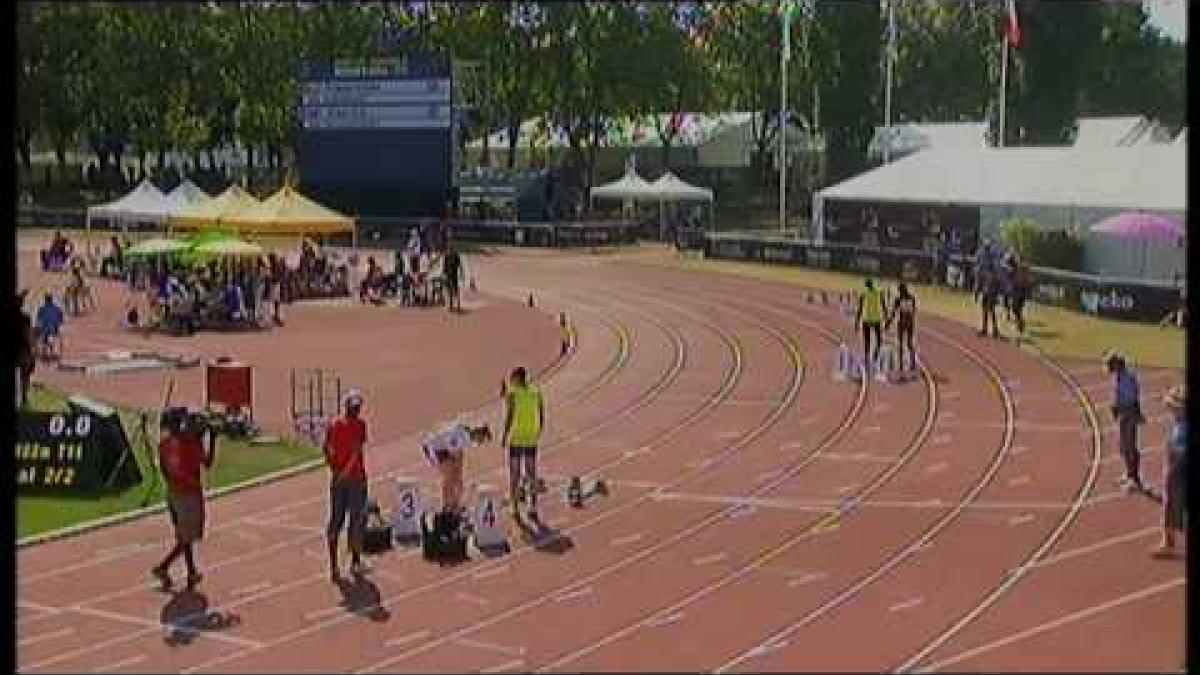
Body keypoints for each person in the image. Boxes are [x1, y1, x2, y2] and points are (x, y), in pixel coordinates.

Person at [152, 409, 217, 591]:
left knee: (184, 535)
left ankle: (191, 571)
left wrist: (208, 438)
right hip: (186, 495)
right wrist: (209, 439)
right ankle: (163, 566)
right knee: (188, 536)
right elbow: (201, 464)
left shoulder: (171, 443)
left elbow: (167, 470)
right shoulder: (181, 444)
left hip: (175, 494)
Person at [324, 390, 369, 582]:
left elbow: (326, 448)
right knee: (356, 519)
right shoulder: (359, 425)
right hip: (355, 478)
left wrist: (334, 468)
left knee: (336, 519)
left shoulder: (333, 425)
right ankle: (355, 562)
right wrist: (345, 471)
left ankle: (334, 566)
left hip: (338, 478)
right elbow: (356, 452)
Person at [420, 420, 493, 513]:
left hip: (444, 448)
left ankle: (453, 504)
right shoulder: (461, 438)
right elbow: (456, 460)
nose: (480, 443)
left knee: (455, 477)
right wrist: (458, 482)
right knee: (449, 476)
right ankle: (446, 506)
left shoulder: (466, 435)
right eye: (481, 440)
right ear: (478, 435)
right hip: (432, 448)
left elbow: (459, 464)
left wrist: (459, 482)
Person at [502, 367, 546, 520]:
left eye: (512, 378)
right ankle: (532, 506)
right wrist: (539, 430)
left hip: (516, 438)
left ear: (517, 378)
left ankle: (514, 506)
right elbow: (541, 413)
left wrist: (504, 435)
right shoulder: (536, 392)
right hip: (531, 437)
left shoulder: (513, 394)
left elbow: (509, 415)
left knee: (515, 474)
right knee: (531, 473)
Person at [1104, 349, 1146, 494]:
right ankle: (1129, 474)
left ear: (1117, 364)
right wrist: (1114, 407)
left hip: (1128, 413)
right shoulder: (1119, 376)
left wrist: (1127, 411)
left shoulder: (1127, 377)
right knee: (1124, 447)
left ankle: (1135, 479)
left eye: (1110, 365)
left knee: (1130, 446)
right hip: (1123, 413)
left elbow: (1131, 398)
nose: (1108, 368)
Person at [1152, 386, 1186, 558]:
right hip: (1177, 473)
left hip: (1178, 475)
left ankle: (1169, 544)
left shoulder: (1182, 430)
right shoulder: (1180, 425)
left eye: (1175, 408)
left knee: (1171, 507)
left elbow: (1179, 456)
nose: (1171, 410)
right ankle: (1168, 542)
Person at [854, 278, 885, 371]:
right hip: (875, 319)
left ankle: (869, 357)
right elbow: (884, 305)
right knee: (878, 340)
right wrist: (886, 315)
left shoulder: (864, 293)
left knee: (869, 340)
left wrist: (857, 321)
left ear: (866, 285)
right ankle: (873, 356)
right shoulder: (879, 291)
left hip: (868, 319)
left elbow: (860, 308)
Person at [886, 283, 918, 372]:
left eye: (899, 290)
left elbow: (893, 312)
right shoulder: (912, 298)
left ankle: (901, 364)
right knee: (909, 343)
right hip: (910, 322)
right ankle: (912, 363)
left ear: (900, 290)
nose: (899, 292)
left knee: (900, 343)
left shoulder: (899, 299)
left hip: (902, 323)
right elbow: (914, 310)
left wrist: (888, 323)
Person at [16, 291, 35, 407]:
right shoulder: (25, 318)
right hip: (22, 351)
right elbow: (28, 336)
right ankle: (24, 397)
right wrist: (32, 349)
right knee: (26, 373)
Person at [974, 262, 1002, 339]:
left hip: (991, 295)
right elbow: (980, 285)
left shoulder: (995, 277)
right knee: (985, 311)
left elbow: (998, 287)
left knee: (991, 312)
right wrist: (977, 294)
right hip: (986, 295)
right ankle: (985, 329)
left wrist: (996, 296)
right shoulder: (984, 276)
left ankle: (994, 330)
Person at [35, 293, 65, 359]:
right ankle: (47, 350)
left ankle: (44, 351)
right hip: (54, 329)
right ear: (51, 299)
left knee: (42, 335)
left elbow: (38, 320)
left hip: (46, 329)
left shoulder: (41, 309)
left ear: (45, 300)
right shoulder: (57, 308)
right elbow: (61, 320)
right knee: (47, 335)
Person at [443, 245, 463, 312]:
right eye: (449, 250)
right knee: (449, 290)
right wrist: (444, 274)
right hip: (448, 275)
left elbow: (460, 265)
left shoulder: (456, 255)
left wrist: (461, 273)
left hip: (454, 275)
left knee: (455, 290)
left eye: (451, 250)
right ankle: (451, 305)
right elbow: (444, 266)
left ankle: (458, 305)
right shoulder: (446, 256)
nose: (450, 251)